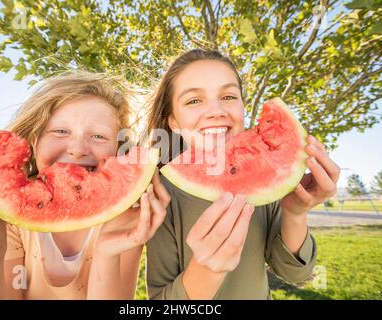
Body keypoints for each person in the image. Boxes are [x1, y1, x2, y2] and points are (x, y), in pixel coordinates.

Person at [0, 70, 170, 299]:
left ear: (118, 150)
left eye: (99, 136)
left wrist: (106, 254)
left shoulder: (124, 218)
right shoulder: (9, 222)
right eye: (60, 131)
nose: (77, 148)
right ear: (35, 141)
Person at [144, 49, 340, 299]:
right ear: (173, 121)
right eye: (194, 100)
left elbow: (295, 275)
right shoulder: (161, 196)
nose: (216, 111)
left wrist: (295, 212)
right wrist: (204, 271)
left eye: (228, 96)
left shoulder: (266, 177)